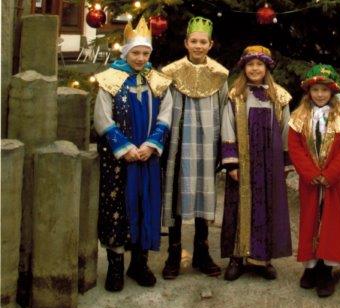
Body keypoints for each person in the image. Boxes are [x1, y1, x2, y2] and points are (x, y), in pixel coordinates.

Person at [93, 16, 172, 292]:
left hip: (148, 157)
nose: (140, 58)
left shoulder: (158, 81)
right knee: (117, 208)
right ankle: (115, 266)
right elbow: (102, 118)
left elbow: (166, 115)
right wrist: (124, 148)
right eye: (135, 53)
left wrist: (151, 145)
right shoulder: (110, 80)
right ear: (125, 52)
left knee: (145, 204)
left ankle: (139, 263)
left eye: (145, 53)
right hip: (120, 160)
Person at [160, 16, 229, 279]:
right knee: (177, 193)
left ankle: (202, 251)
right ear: (186, 43)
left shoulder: (220, 75)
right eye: (194, 41)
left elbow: (224, 111)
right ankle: (173, 253)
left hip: (207, 144)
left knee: (204, 192)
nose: (198, 46)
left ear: (210, 44)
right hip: (179, 142)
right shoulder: (170, 73)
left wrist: (224, 147)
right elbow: (164, 107)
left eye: (203, 42)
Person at [221, 45, 293, 281]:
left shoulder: (279, 96)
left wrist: (284, 162)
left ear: (266, 68)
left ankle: (263, 259)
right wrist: (231, 163)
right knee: (240, 206)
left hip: (269, 162)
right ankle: (237, 257)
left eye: (259, 64)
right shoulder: (236, 94)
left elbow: (286, 130)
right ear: (244, 67)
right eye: (250, 64)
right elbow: (228, 125)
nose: (254, 68)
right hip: (243, 162)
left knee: (266, 206)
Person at [288, 64, 340, 297]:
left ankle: (326, 269)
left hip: (335, 182)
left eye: (324, 90)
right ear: (309, 92)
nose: (319, 94)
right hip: (310, 182)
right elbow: (295, 148)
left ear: (332, 92)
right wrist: (310, 173)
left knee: (332, 221)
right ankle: (310, 268)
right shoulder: (299, 117)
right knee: (311, 219)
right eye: (315, 90)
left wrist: (329, 175)